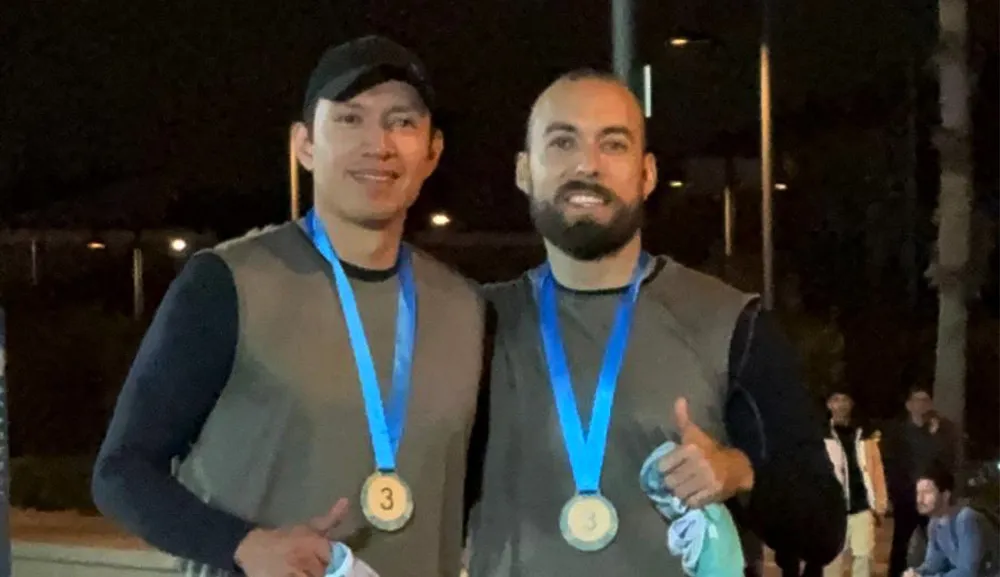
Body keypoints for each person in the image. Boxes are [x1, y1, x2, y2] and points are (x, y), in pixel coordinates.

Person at [92, 36, 489, 577]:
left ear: (433, 151)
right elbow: (121, 473)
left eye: (402, 122)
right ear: (305, 145)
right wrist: (243, 544)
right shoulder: (229, 283)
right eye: (350, 120)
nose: (379, 144)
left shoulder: (465, 308)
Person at [466, 68, 845, 576]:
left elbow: (823, 526)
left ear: (646, 175)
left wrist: (737, 472)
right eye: (562, 142)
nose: (587, 165)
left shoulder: (731, 323)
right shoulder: (474, 324)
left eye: (613, 145)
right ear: (523, 170)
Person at [884, 386, 960, 577]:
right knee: (900, 543)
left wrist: (936, 435)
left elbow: (948, 460)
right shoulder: (898, 431)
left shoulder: (941, 429)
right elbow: (890, 463)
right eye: (917, 400)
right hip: (906, 497)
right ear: (908, 405)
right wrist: (894, 493)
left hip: (933, 497)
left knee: (939, 541)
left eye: (926, 400)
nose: (922, 404)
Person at [819, 389, 888, 577]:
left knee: (864, 558)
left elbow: (877, 471)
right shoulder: (821, 436)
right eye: (835, 400)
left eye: (845, 399)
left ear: (851, 404)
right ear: (829, 405)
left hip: (862, 507)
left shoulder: (865, 435)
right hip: (833, 511)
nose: (840, 404)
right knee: (832, 562)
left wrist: (879, 505)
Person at [903, 462, 998, 577]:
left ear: (945, 495)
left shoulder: (966, 519)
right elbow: (933, 564)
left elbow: (968, 572)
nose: (920, 500)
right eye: (918, 493)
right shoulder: (935, 524)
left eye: (927, 493)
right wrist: (917, 572)